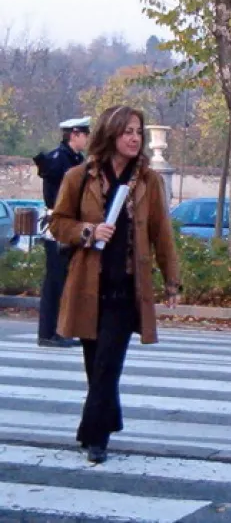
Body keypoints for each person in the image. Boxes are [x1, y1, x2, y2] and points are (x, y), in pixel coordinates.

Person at [50, 105, 180, 464]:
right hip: (88, 285)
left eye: (137, 131)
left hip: (126, 286)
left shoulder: (148, 181)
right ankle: (108, 418)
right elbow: (58, 224)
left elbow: (161, 233)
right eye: (127, 131)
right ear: (111, 134)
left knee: (108, 363)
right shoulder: (80, 176)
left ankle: (95, 436)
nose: (135, 137)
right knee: (95, 365)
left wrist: (172, 279)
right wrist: (88, 231)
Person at [33, 117, 92, 348]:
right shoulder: (59, 159)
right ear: (74, 134)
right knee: (55, 281)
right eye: (84, 134)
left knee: (66, 280)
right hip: (56, 225)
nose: (87, 139)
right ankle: (49, 333)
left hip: (70, 224)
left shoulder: (75, 159)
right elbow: (54, 193)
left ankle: (60, 330)